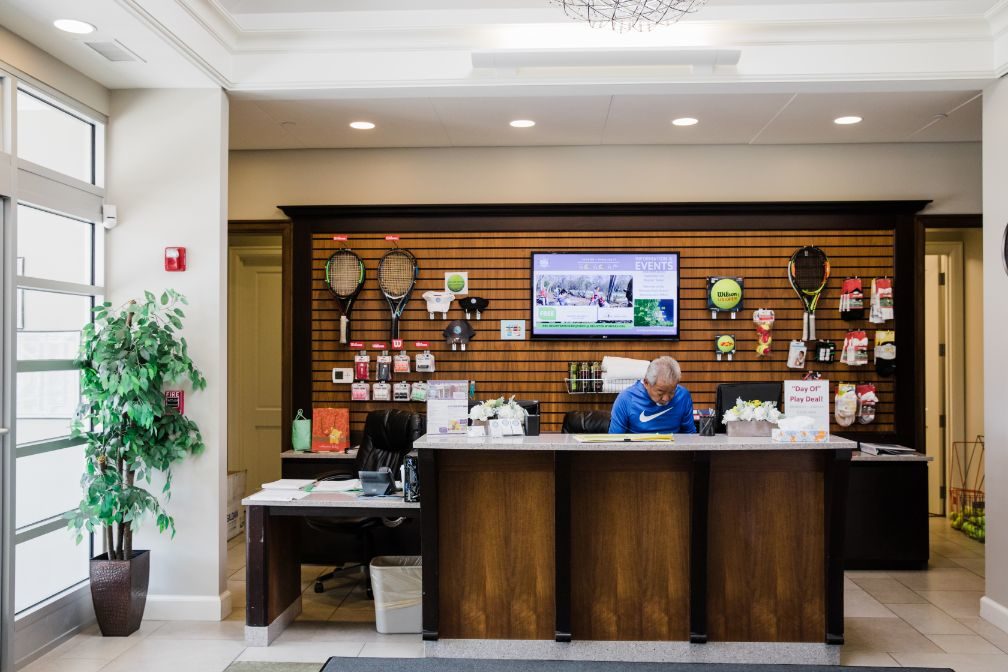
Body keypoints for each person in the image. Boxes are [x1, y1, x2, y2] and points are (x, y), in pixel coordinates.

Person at [608, 356, 696, 434]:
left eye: (672, 392)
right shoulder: (625, 399)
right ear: (646, 383)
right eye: (660, 392)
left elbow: (690, 436)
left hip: (672, 451)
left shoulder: (683, 396)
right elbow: (614, 442)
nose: (666, 399)